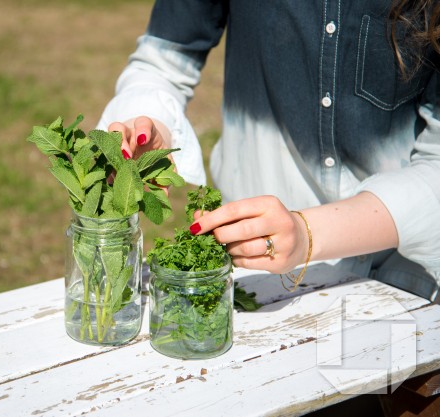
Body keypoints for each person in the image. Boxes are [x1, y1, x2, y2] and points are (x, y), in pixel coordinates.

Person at [96, 0, 440, 301]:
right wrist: (148, 126)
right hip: (253, 279)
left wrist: (306, 234)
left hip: (397, 288)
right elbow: (162, 63)